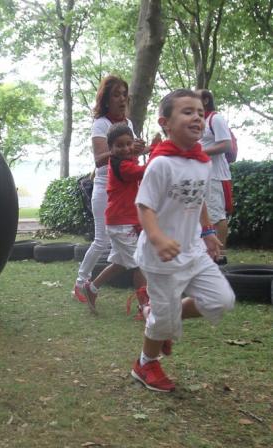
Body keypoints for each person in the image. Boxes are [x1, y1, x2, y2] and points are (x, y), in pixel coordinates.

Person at [131, 89, 235, 392]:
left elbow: (199, 198)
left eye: (201, 113)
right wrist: (158, 238)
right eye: (187, 112)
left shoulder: (202, 162)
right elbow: (144, 206)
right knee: (163, 321)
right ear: (166, 122)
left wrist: (208, 231)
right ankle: (145, 364)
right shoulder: (160, 163)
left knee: (221, 300)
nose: (197, 118)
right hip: (159, 256)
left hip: (193, 251)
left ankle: (158, 318)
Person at [72, 75, 146, 302]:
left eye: (124, 94)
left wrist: (139, 149)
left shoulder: (128, 124)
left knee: (122, 254)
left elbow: (128, 154)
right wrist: (124, 150)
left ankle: (92, 286)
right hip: (106, 188)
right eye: (116, 95)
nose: (122, 99)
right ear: (106, 100)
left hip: (128, 188)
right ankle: (80, 283)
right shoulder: (101, 124)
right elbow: (99, 159)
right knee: (101, 241)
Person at [79, 123, 148, 317]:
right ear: (111, 149)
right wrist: (160, 155)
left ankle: (91, 288)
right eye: (119, 145)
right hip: (121, 222)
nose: (125, 148)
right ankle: (144, 307)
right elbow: (142, 172)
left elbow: (137, 164)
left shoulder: (126, 160)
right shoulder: (121, 165)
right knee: (139, 264)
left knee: (120, 263)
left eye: (128, 144)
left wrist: (149, 149)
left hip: (122, 220)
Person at [197, 89, 232, 264]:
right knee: (205, 214)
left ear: (205, 100)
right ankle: (211, 252)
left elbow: (226, 145)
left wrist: (200, 151)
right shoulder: (200, 122)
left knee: (217, 215)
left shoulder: (215, 119)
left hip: (215, 176)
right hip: (202, 175)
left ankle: (220, 254)